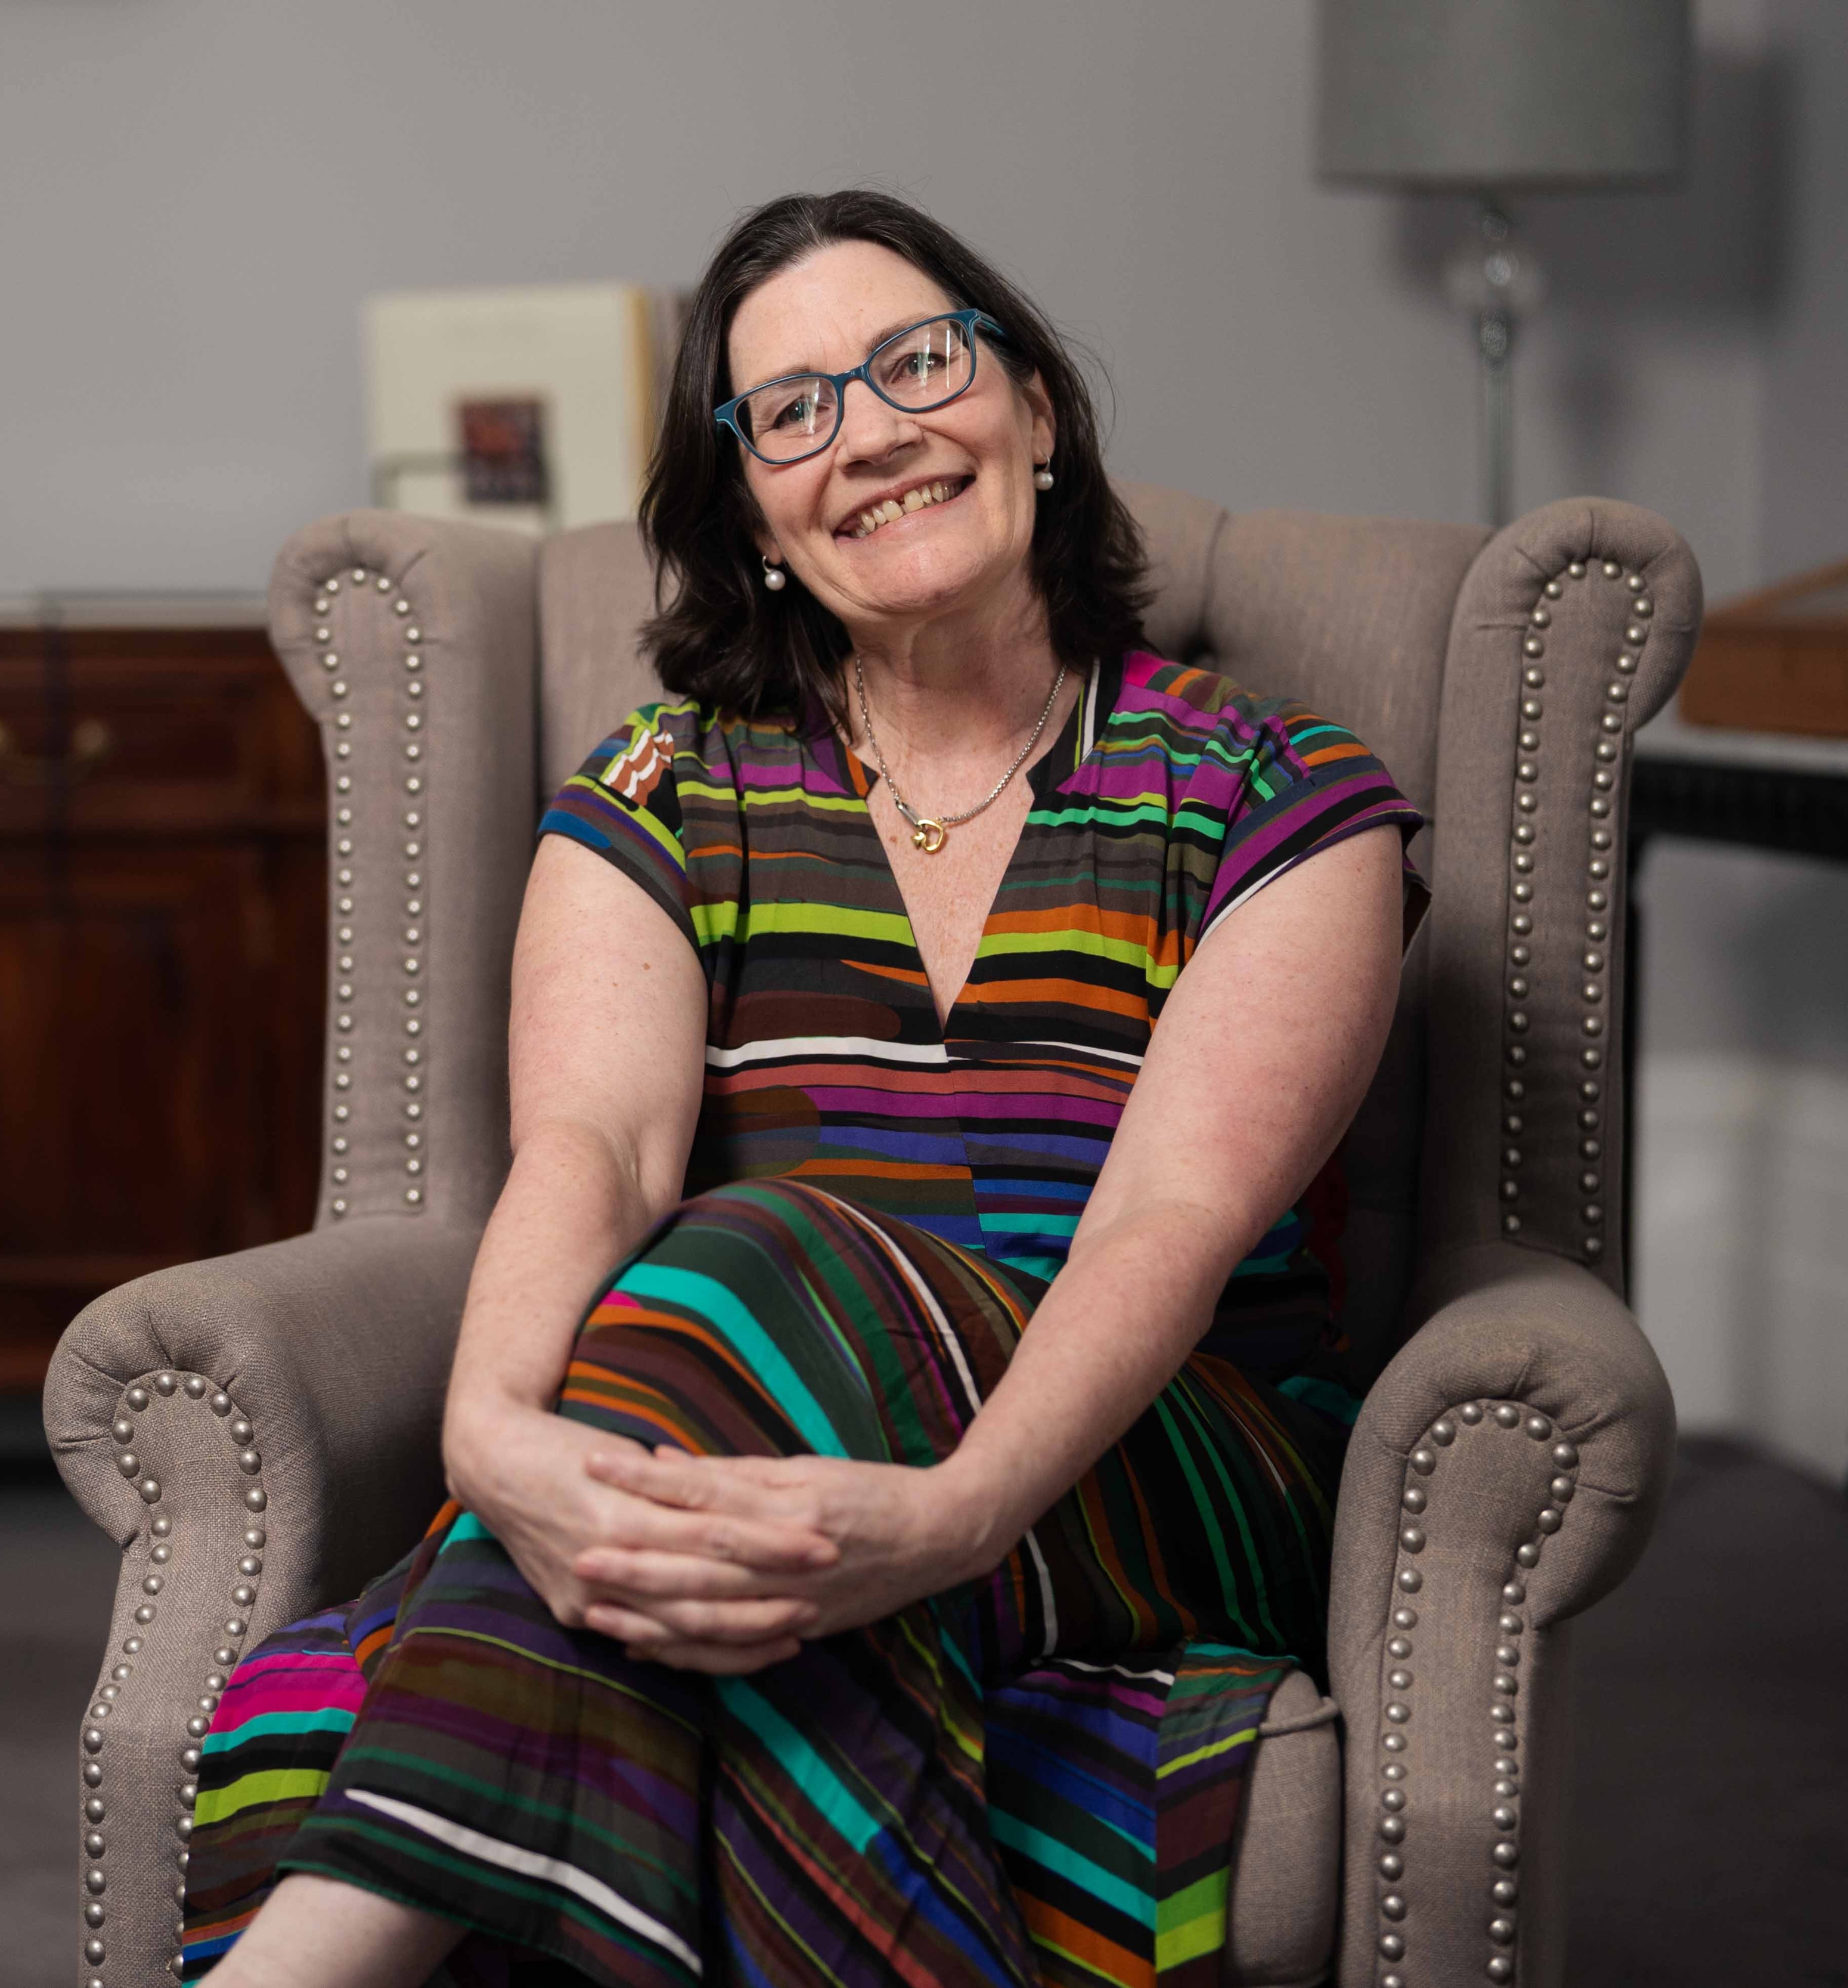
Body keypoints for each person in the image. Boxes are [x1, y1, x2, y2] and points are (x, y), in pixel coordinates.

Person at [184, 189, 1425, 1988]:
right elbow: (595, 1153)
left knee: (759, 1251)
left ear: (1036, 412)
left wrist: (956, 1512)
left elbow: (1173, 1218)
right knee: (714, 1318)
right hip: (720, 1412)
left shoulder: (1277, 792)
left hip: (1149, 1471)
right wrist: (494, 1437)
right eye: (794, 409)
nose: (874, 433)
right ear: (754, 517)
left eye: (919, 361)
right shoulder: (667, 786)